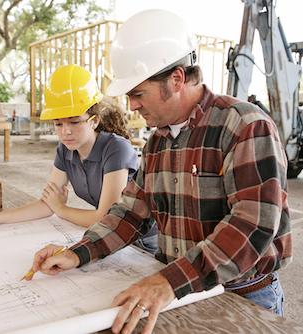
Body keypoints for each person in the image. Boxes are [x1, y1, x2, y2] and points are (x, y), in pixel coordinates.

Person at [25, 9, 293, 334]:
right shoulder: (157, 142)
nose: (132, 106)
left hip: (242, 296)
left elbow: (251, 226)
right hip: (179, 293)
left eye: (138, 94)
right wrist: (79, 252)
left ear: (176, 79)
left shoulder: (244, 125)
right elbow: (130, 213)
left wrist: (167, 283)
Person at [0, 64, 158, 253]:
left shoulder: (116, 148)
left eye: (74, 121)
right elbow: (46, 203)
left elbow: (106, 216)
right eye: (58, 124)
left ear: (94, 121)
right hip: (112, 237)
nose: (66, 132)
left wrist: (60, 208)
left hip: (143, 241)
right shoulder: (66, 150)